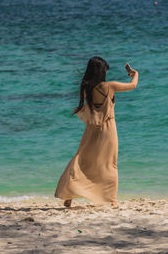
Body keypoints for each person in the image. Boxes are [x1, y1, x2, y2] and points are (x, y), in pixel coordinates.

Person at [54, 56, 138, 207]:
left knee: (82, 161)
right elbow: (133, 86)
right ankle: (111, 200)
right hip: (108, 129)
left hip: (91, 129)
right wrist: (135, 73)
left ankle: (69, 195)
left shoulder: (87, 88)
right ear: (101, 72)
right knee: (109, 164)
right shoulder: (109, 86)